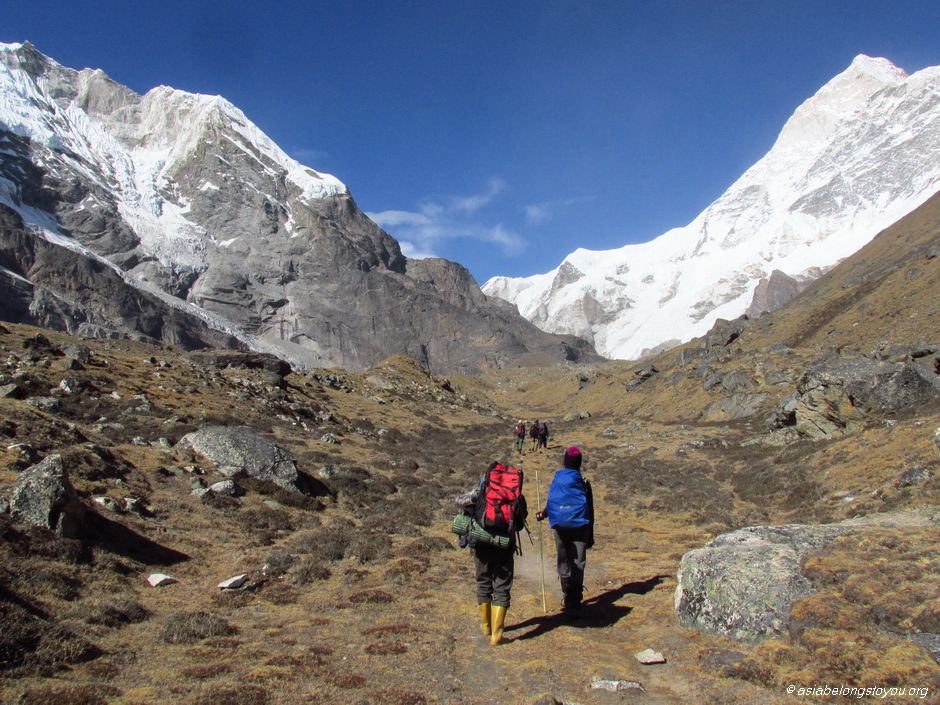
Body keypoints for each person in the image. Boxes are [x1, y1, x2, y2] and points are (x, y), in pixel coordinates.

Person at [470, 462, 527, 645]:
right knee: (501, 587)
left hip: (481, 544)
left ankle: (486, 626)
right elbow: (519, 524)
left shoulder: (483, 489)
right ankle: (497, 635)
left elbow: (471, 512)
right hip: (504, 546)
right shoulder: (515, 494)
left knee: (483, 581)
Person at [536, 446, 594, 613]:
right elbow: (590, 508)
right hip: (581, 526)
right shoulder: (583, 482)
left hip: (560, 526)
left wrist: (543, 514)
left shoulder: (558, 479)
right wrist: (590, 534)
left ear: (565, 461)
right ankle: (575, 600)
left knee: (564, 559)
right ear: (579, 463)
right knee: (578, 562)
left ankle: (566, 594)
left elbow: (552, 501)